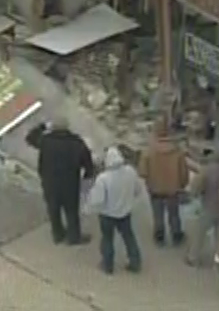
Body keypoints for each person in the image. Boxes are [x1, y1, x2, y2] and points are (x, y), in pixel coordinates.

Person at [26, 115, 95, 245]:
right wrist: (88, 177)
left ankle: (58, 234)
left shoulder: (46, 141)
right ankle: (73, 237)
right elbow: (88, 163)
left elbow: (30, 138)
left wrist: (42, 126)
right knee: (71, 211)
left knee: (53, 208)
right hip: (70, 183)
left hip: (50, 182)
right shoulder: (76, 143)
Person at [85, 145, 143, 274]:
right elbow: (138, 190)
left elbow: (97, 199)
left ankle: (107, 265)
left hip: (107, 215)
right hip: (125, 213)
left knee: (107, 239)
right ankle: (135, 262)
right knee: (129, 237)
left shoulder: (103, 178)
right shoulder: (130, 171)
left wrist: (89, 206)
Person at [138, 116, 189, 246]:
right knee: (174, 213)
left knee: (158, 213)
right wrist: (182, 184)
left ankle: (159, 236)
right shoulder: (177, 150)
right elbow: (183, 172)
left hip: (155, 188)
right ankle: (176, 235)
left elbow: (142, 171)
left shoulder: (149, 149)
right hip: (173, 189)